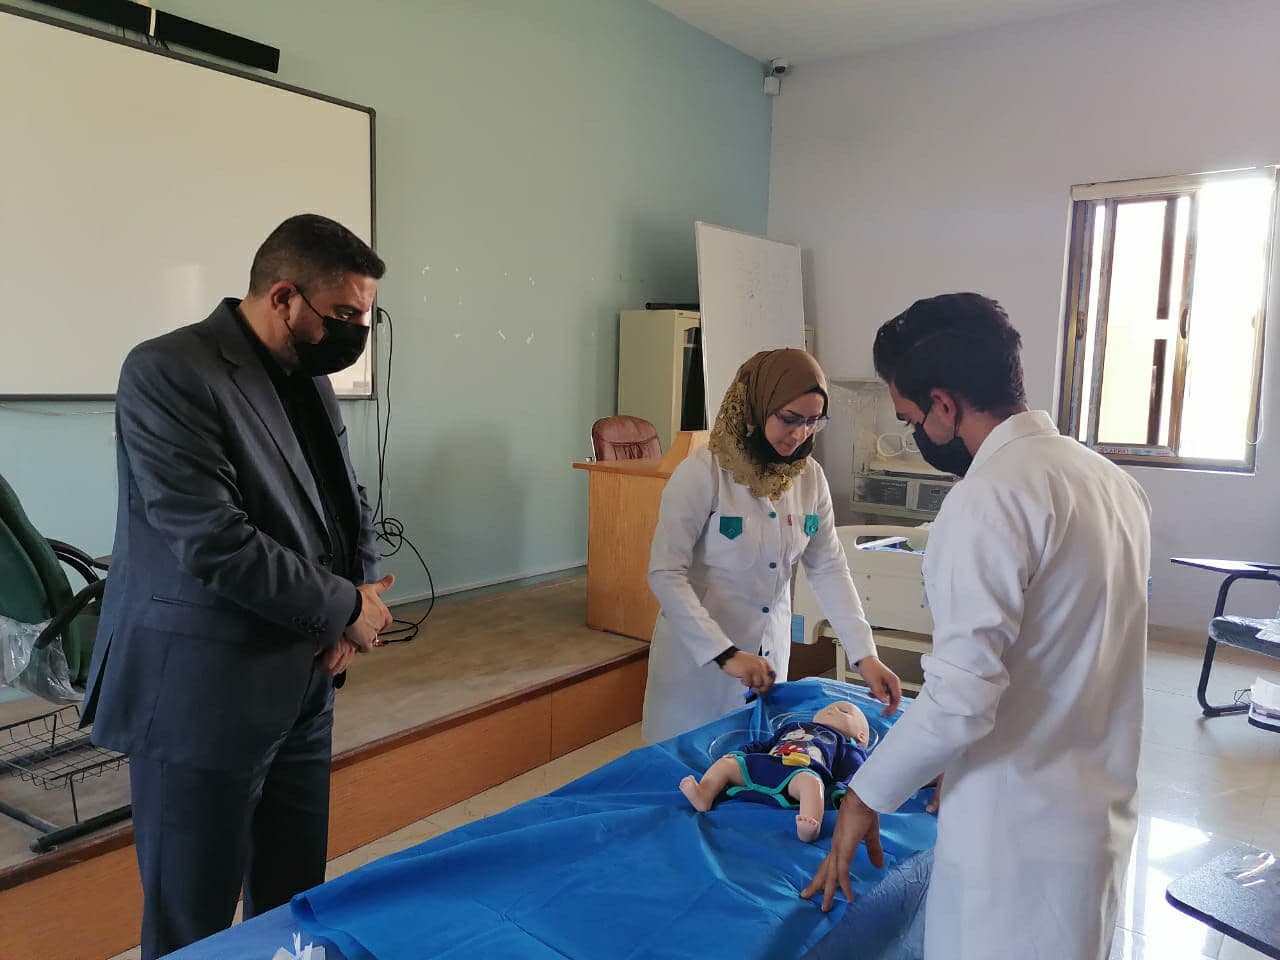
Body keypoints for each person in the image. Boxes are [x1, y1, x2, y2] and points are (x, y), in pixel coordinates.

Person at [81, 214, 395, 959]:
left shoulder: (308, 376)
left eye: (367, 316)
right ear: (283, 297)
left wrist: (351, 601)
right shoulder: (168, 370)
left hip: (303, 683)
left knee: (292, 907)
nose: (357, 332)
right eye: (344, 314)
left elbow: (344, 499)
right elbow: (212, 539)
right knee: (192, 924)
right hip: (202, 695)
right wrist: (343, 609)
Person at [803, 294, 1151, 960]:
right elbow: (1064, 651)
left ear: (944, 404)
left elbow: (960, 701)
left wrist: (864, 796)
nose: (915, 435)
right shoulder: (1109, 482)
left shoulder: (987, 499)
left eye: (910, 420)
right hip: (1094, 818)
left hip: (1014, 833)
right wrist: (942, 760)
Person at [642, 347, 901, 744]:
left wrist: (864, 655)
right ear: (757, 407)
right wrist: (725, 654)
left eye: (813, 422)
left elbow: (828, 567)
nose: (800, 435)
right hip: (697, 665)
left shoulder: (809, 478)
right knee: (686, 766)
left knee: (752, 765)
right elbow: (665, 573)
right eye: (789, 418)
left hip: (767, 657)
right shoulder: (703, 474)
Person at [679, 699, 870, 842]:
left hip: (799, 772)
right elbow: (764, 745)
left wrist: (841, 792)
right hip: (766, 763)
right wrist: (740, 753)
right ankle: (704, 794)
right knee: (726, 764)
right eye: (828, 707)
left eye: (844, 711)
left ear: (860, 736)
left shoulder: (846, 745)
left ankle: (810, 826)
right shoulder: (792, 726)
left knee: (812, 784)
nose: (832, 709)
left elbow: (855, 772)